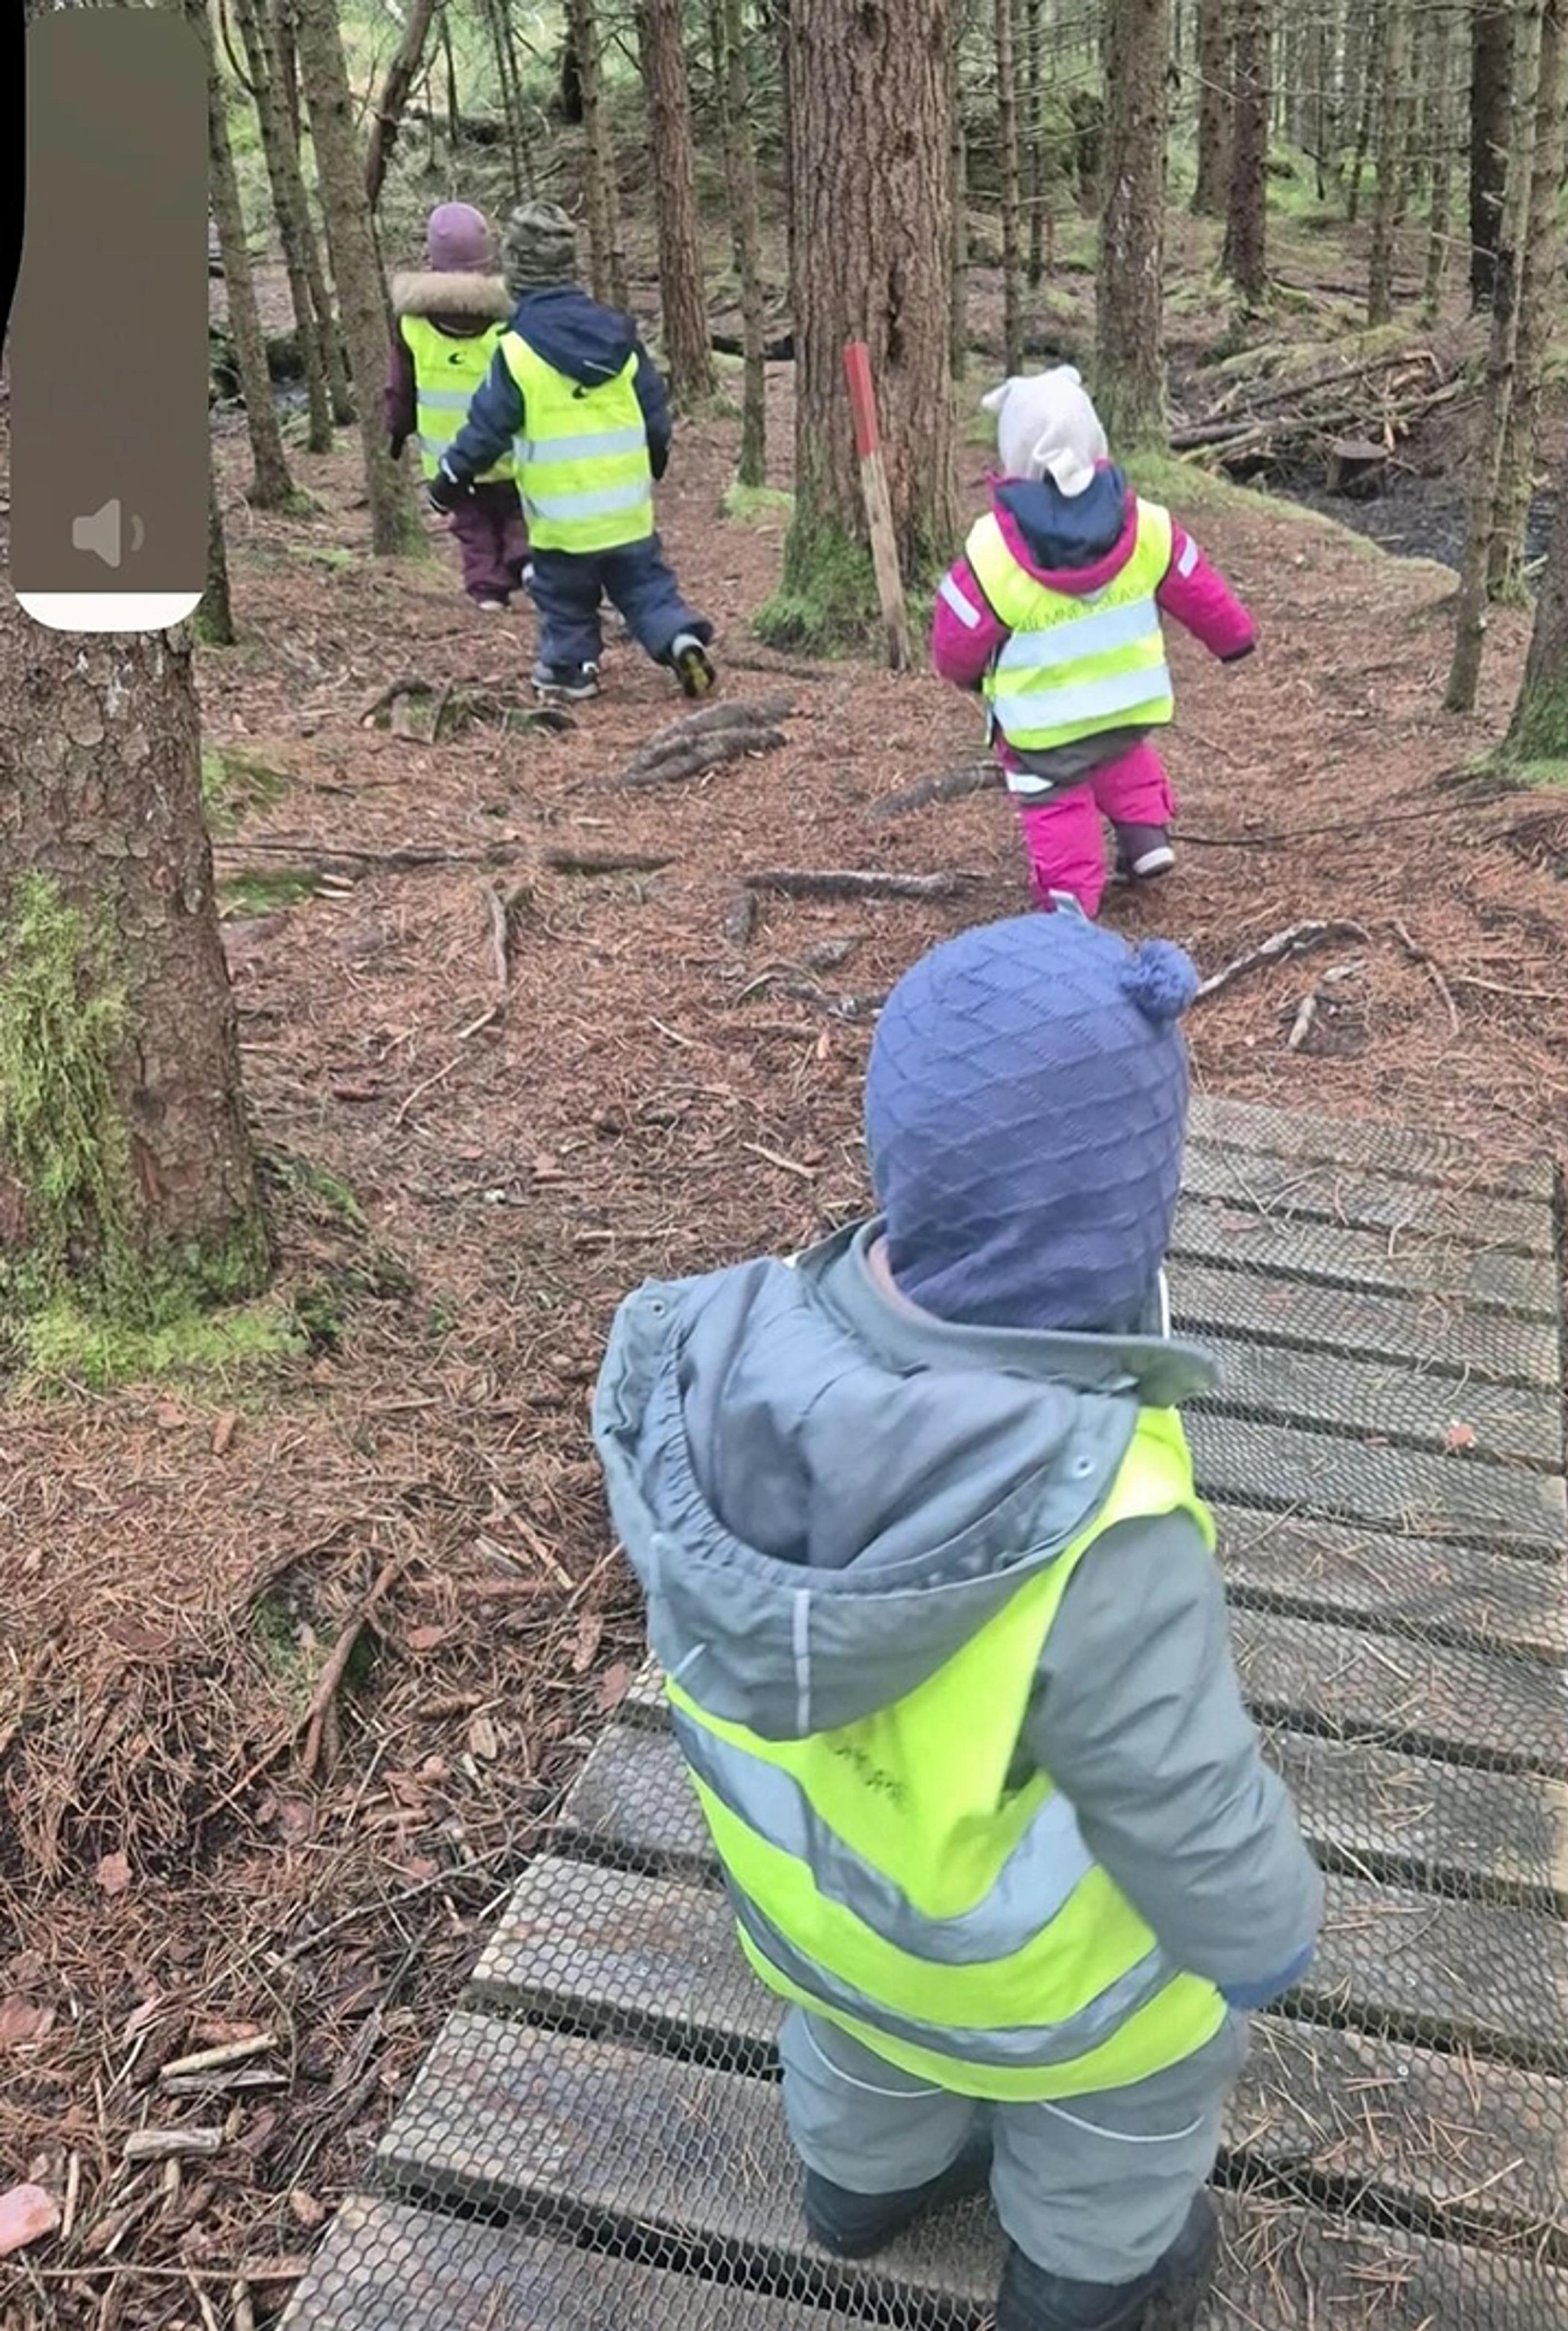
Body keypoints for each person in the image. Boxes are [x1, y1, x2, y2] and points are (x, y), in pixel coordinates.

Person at [592, 908, 1324, 2331]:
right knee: (1128, 2106)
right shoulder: (1100, 1521)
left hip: (818, 1920)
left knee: (860, 2054)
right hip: (1045, 1986)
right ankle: (1082, 2284)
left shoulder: (721, 1367)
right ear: (1122, 1224)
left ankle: (856, 2191)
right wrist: (1267, 1932)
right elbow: (1181, 1795)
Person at [932, 366, 1257, 917]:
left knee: (1056, 803)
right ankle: (1147, 840)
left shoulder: (992, 551)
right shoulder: (1149, 523)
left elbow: (957, 628)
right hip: (1128, 704)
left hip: (1043, 728)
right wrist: (1235, 638)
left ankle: (1070, 899)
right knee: (1123, 756)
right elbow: (1195, 581)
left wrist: (962, 671)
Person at [427, 200, 715, 704]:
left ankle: (570, 670)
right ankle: (679, 638)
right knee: (645, 586)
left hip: (562, 521)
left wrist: (449, 477)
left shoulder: (516, 350)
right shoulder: (620, 336)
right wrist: (656, 457)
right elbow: (653, 409)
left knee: (566, 601)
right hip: (627, 510)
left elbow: (486, 429)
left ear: (516, 270)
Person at [384, 202, 529, 612]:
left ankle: (488, 594)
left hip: (449, 458)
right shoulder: (512, 317)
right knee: (519, 511)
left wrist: (397, 429)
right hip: (509, 447)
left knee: (472, 525)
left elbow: (401, 387)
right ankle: (527, 565)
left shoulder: (411, 322)